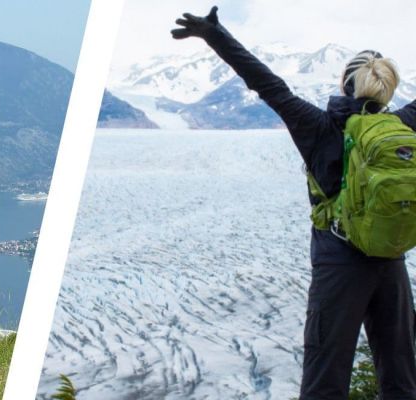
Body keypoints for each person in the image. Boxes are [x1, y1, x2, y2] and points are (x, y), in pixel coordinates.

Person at [172, 6, 416, 400]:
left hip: (339, 266)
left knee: (324, 383)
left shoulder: (317, 127)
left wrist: (215, 35)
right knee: (401, 382)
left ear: (346, 86)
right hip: (391, 263)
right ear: (386, 88)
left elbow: (268, 85)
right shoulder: (403, 126)